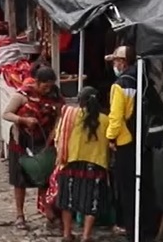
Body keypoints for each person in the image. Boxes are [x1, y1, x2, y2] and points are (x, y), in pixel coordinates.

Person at [1, 65, 63, 231]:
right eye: (45, 86)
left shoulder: (54, 95)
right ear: (37, 82)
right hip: (21, 141)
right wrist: (24, 121)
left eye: (50, 86)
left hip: (44, 141)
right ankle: (20, 215)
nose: (47, 90)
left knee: (44, 176)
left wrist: (54, 133)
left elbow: (59, 114)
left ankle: (48, 212)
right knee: (19, 179)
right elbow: (6, 114)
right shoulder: (23, 95)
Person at [48, 87, 112, 242]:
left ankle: (67, 234)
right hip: (95, 164)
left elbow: (58, 137)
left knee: (67, 201)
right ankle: (86, 236)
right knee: (92, 201)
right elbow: (111, 141)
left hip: (71, 162)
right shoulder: (106, 120)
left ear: (80, 101)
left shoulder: (70, 116)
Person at [105, 45, 138, 238]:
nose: (114, 65)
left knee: (125, 186)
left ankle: (127, 225)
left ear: (123, 62)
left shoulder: (120, 85)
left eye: (116, 61)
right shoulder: (141, 78)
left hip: (125, 140)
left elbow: (115, 117)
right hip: (139, 138)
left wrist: (110, 137)